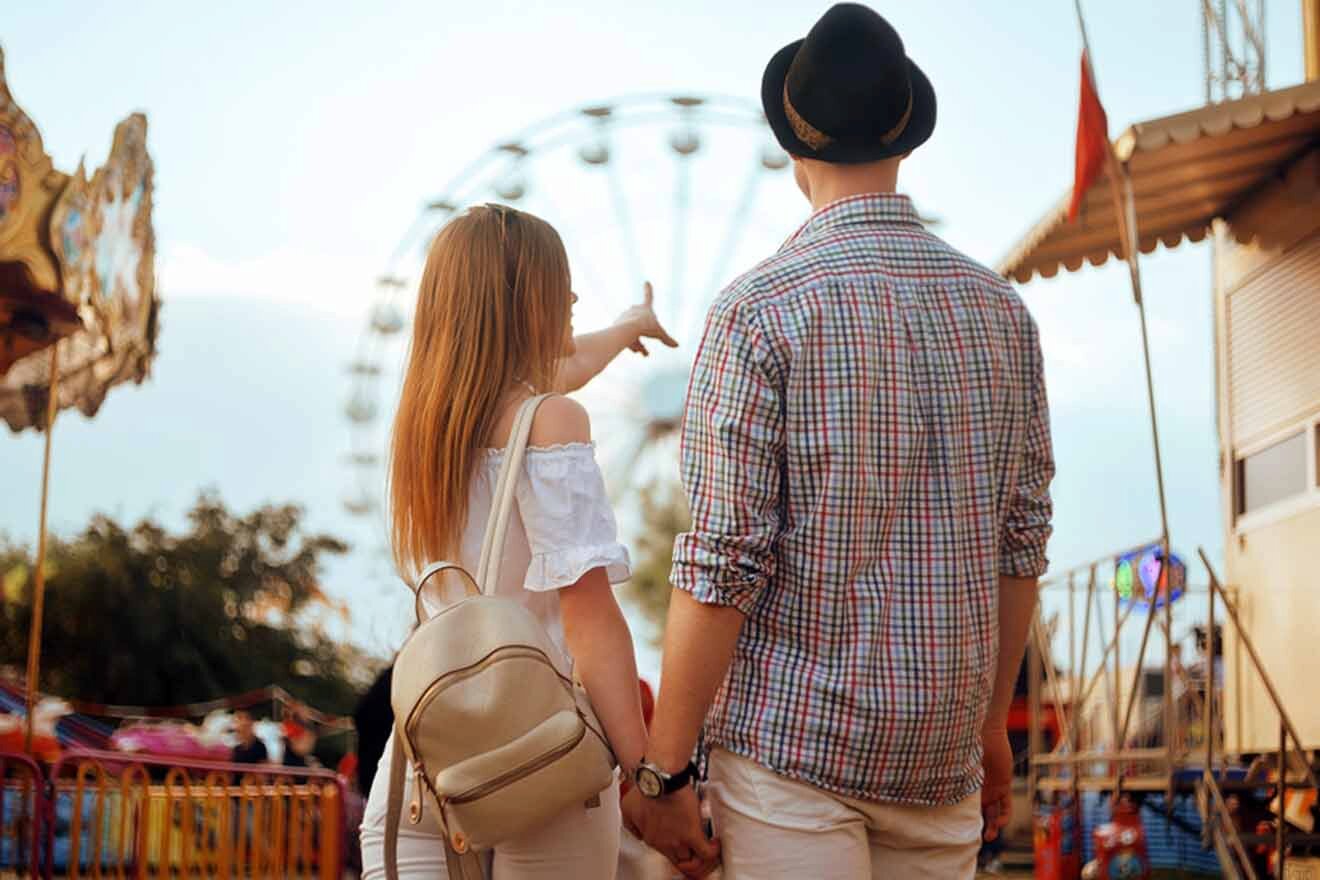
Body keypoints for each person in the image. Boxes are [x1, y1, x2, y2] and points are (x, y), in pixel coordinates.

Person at [622, 5, 1055, 879]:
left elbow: (722, 562)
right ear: (906, 138)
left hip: (794, 753)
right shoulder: (1004, 315)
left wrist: (664, 769)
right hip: (940, 758)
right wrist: (987, 731)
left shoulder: (760, 311)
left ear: (795, 149)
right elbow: (1021, 546)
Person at [359, 203, 679, 879]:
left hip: (423, 766)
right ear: (519, 301)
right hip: (542, 755)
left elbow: (566, 366)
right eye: (554, 283)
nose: (570, 297)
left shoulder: (427, 427)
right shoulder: (553, 421)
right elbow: (590, 621)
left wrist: (626, 328)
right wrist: (648, 779)